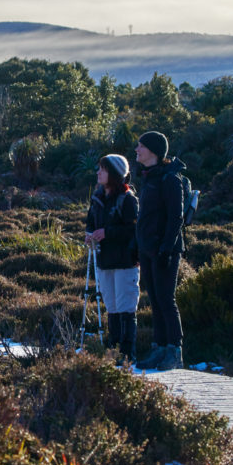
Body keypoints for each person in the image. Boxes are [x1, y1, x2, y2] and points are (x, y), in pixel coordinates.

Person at [134, 131, 187, 371]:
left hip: (165, 250)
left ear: (153, 151)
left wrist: (166, 249)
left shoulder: (170, 180)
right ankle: (159, 348)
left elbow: (176, 217)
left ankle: (174, 351)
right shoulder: (149, 177)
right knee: (155, 300)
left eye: (140, 146)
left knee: (166, 299)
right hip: (148, 249)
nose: (136, 150)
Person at [86, 153, 139, 364]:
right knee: (112, 308)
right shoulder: (97, 198)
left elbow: (134, 229)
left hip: (126, 262)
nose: (98, 172)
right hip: (105, 261)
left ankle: (127, 356)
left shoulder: (128, 200)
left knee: (126, 308)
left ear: (115, 173)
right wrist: (89, 234)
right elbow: (90, 222)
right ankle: (113, 352)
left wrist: (107, 233)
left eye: (103, 169)